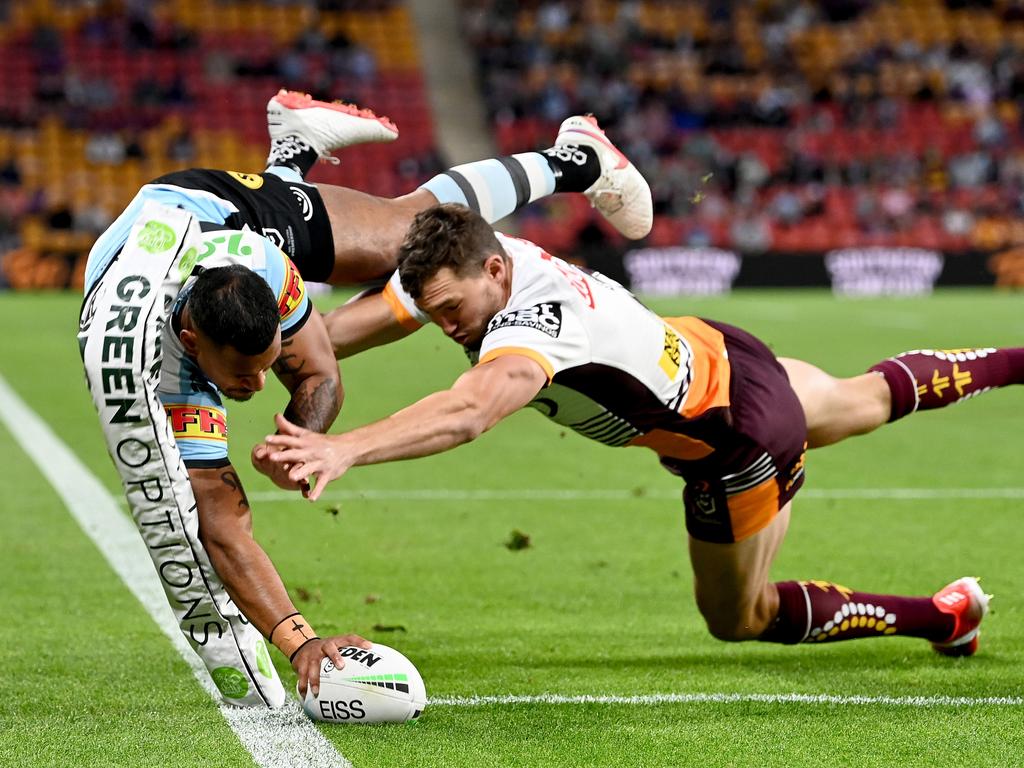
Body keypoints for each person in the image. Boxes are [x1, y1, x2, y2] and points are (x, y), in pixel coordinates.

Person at [78, 93, 654, 708]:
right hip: (148, 260)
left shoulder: (269, 269)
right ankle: (295, 154)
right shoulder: (137, 368)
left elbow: (320, 373)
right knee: (200, 502)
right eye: (240, 379)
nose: (251, 389)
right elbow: (199, 531)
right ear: (193, 344)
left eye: (267, 365)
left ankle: (574, 160)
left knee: (404, 243)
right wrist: (294, 643)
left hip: (221, 217)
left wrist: (305, 435)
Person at [265, 204, 1024, 657]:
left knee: (738, 618)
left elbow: (470, 411)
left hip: (735, 446)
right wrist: (272, 344)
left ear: (495, 274)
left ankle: (944, 616)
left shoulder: (537, 328)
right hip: (725, 354)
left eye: (449, 311)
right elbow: (346, 326)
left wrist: (343, 445)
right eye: (431, 312)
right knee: (869, 399)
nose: (441, 325)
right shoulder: (487, 258)